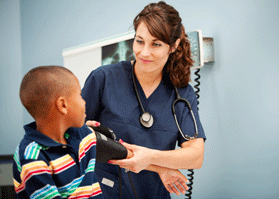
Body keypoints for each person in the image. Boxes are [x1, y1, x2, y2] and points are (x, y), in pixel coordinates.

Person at [82, 1, 206, 198]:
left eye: (156, 44)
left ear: (173, 46)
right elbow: (76, 138)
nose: (144, 52)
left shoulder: (182, 94)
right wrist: (160, 167)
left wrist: (150, 158)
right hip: (103, 192)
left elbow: (196, 156)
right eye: (139, 41)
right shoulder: (103, 79)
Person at [13, 66, 109, 198]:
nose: (84, 101)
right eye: (80, 95)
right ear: (63, 105)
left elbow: (124, 153)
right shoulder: (32, 158)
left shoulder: (84, 135)